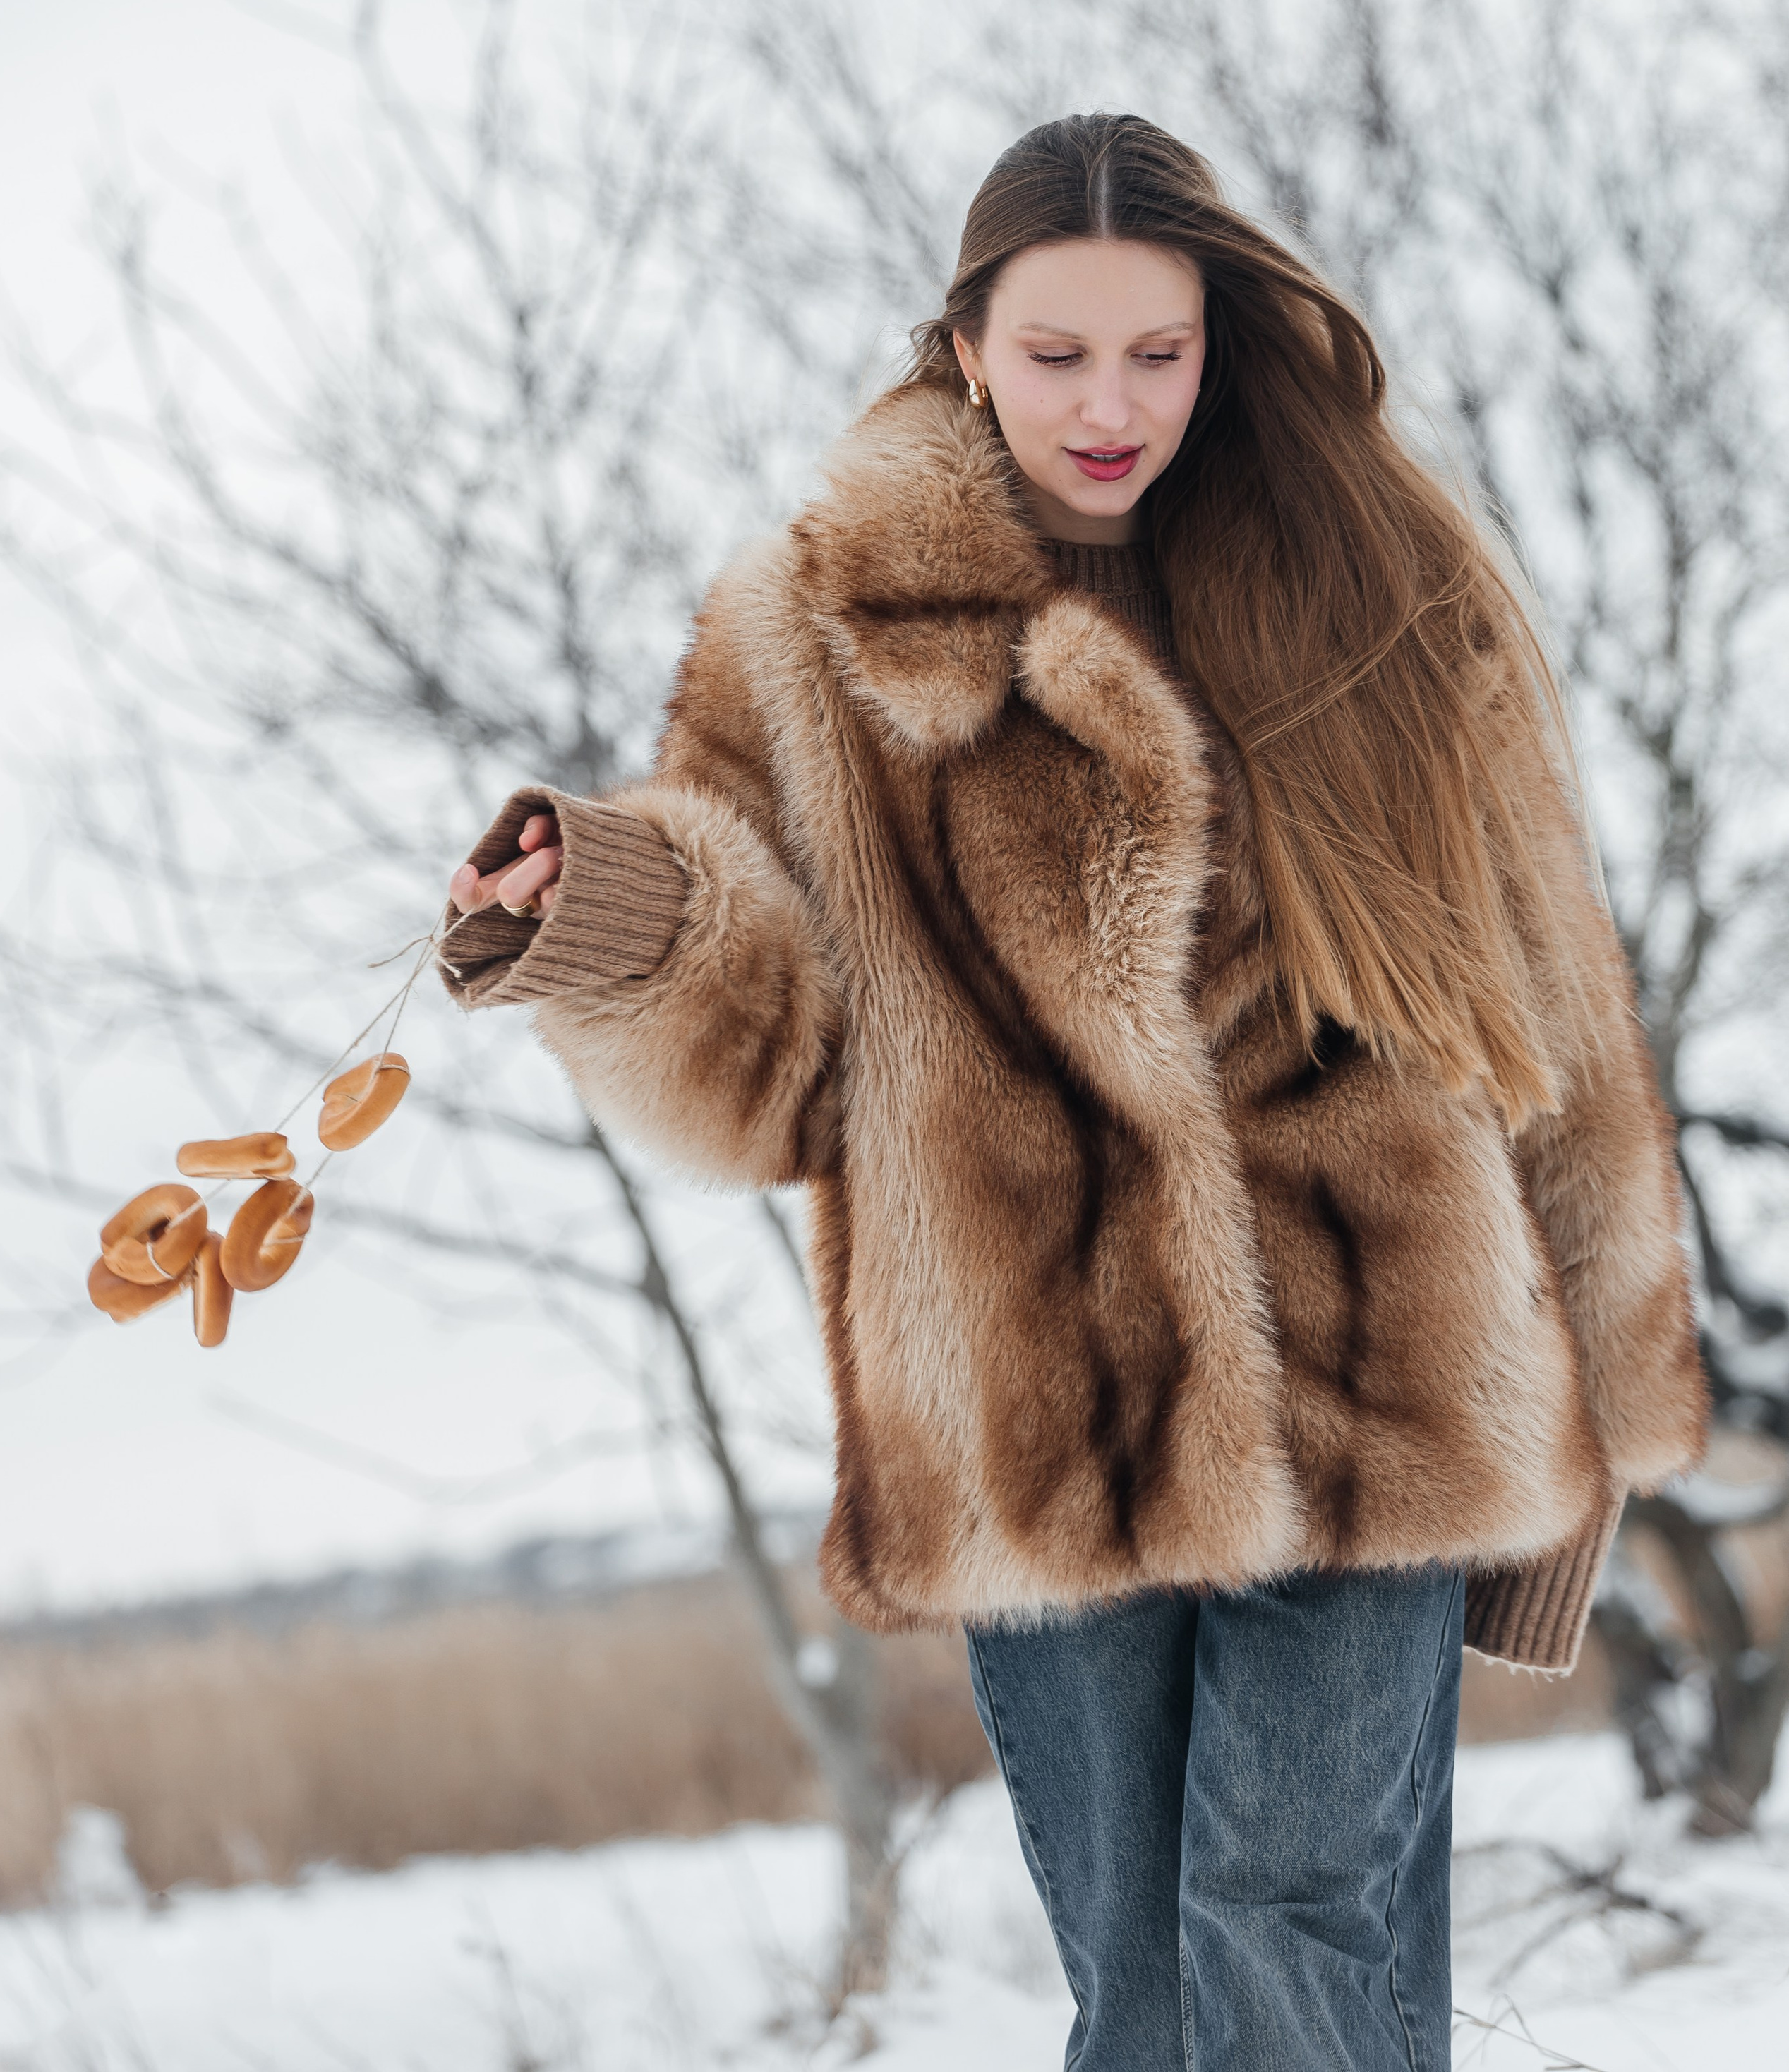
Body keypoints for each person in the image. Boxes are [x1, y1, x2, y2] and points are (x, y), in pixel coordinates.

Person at [441, 114, 1704, 2070]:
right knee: (1144, 1984)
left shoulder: (1386, 583)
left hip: (1395, 1396)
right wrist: (595, 906)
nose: (1112, 403)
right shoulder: (815, 635)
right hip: (1034, 1416)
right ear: (962, 345)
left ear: (1222, 339)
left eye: (1158, 351)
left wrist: (1599, 1428)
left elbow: (1553, 1021)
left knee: (1290, 1923)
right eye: (1058, 355)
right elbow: (771, 1065)